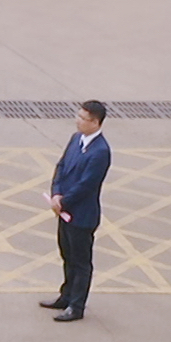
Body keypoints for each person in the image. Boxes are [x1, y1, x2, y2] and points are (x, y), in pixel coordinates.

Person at [41, 100, 111, 322]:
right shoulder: (75, 139)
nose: (77, 121)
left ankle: (76, 306)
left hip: (81, 215)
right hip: (64, 210)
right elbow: (61, 167)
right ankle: (66, 295)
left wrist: (64, 201)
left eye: (83, 118)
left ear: (95, 122)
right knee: (67, 255)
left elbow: (87, 185)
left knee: (80, 262)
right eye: (78, 116)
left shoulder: (100, 152)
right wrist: (56, 193)